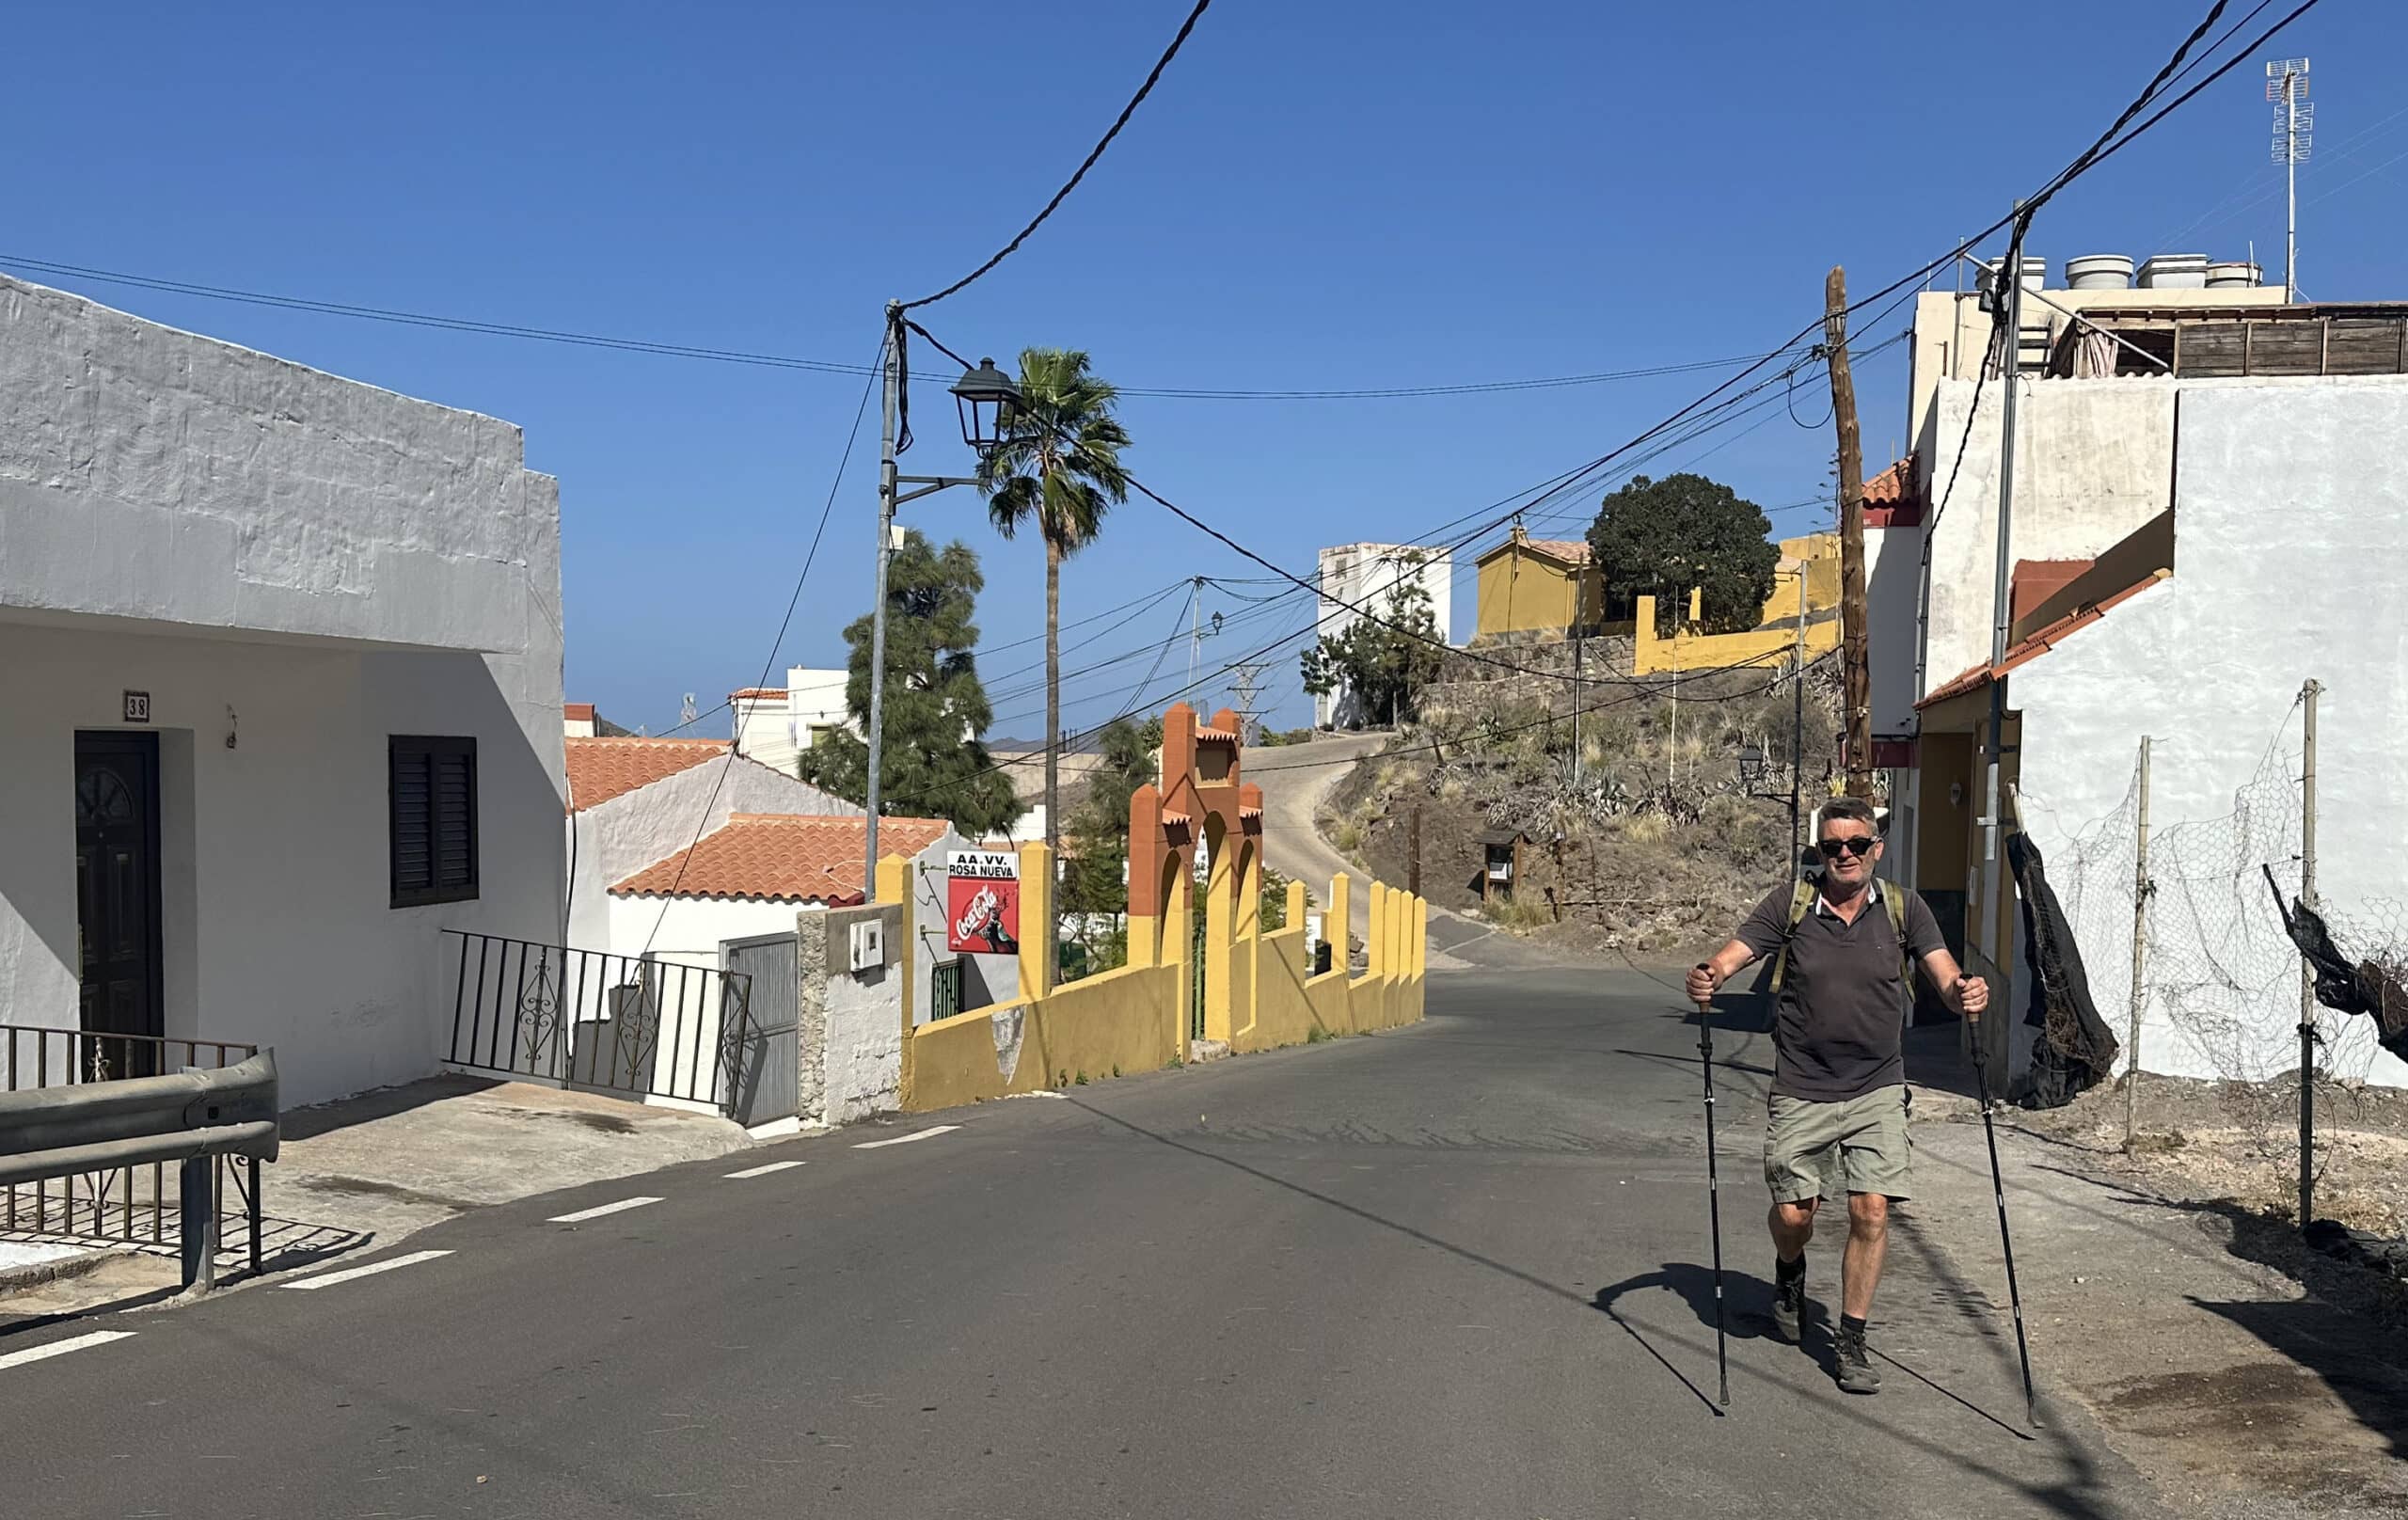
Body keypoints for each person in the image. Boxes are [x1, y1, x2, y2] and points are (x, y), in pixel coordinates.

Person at [1686, 797, 1986, 1395]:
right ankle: (1789, 1270)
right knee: (1797, 1215)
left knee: (1870, 1209)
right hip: (1802, 1085)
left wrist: (1964, 993)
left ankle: (1851, 1339)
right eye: (1831, 847)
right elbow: (1734, 954)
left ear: (1875, 849)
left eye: (1855, 845)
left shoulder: (1903, 907)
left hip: (1877, 1083)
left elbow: (1943, 972)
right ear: (1819, 852)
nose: (1843, 855)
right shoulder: (1792, 904)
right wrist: (1710, 975)